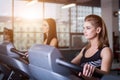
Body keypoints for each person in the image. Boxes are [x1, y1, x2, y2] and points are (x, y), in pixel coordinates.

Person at [71, 14, 113, 80]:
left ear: (98, 30)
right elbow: (71, 64)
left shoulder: (105, 50)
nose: (84, 31)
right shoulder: (84, 49)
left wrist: (93, 71)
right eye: (84, 28)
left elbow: (106, 75)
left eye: (88, 28)